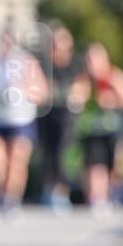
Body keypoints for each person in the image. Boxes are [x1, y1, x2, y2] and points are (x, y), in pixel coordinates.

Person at [0, 26, 48, 215]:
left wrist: (23, 90)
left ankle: (11, 200)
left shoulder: (27, 61)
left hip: (19, 119)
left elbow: (42, 93)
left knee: (16, 161)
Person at [37, 22, 89, 211]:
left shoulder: (74, 63)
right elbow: (41, 88)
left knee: (64, 152)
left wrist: (75, 96)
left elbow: (81, 87)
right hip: (47, 114)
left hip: (67, 115)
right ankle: (49, 188)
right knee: (48, 151)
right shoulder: (44, 63)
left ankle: (62, 191)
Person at [77, 42, 123, 215]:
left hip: (113, 129)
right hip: (92, 129)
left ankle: (112, 195)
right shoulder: (85, 80)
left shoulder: (114, 75)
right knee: (94, 165)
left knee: (113, 165)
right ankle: (96, 198)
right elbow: (76, 99)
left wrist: (111, 99)